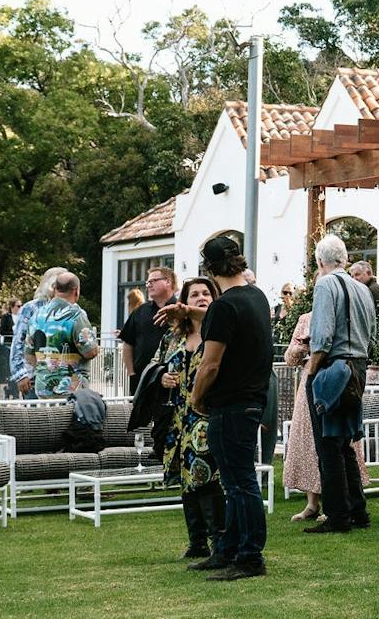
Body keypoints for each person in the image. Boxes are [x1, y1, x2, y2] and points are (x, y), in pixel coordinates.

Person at [184, 235, 273, 580]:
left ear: (209, 268)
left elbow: (210, 364)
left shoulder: (224, 307)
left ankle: (249, 556)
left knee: (239, 483)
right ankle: (227, 549)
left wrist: (195, 396)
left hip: (230, 403)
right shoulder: (257, 297)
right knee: (236, 481)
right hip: (251, 399)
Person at [304, 235, 377, 537]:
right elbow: (372, 333)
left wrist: (311, 369)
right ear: (345, 260)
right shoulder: (362, 289)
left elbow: (322, 334)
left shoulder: (325, 284)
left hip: (334, 366)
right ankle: (357, 509)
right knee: (345, 441)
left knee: (327, 444)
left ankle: (337, 515)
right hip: (358, 366)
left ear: (320, 262)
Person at [281, 304, 368, 523]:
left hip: (336, 385)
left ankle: (338, 504)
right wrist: (301, 349)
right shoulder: (305, 319)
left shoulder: (344, 320)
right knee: (308, 444)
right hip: (310, 386)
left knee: (336, 446)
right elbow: (289, 358)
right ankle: (312, 503)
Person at [157, 277, 224, 559]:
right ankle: (196, 541)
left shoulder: (218, 333)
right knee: (186, 480)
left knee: (207, 479)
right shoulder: (172, 338)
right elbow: (154, 367)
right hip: (178, 418)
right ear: (185, 300)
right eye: (194, 294)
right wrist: (162, 377)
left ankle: (217, 542)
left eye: (206, 293)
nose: (201, 297)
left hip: (207, 416)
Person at [24, 273, 101, 398]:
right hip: (71, 390)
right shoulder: (76, 315)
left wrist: (47, 369)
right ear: (76, 291)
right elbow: (90, 352)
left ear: (55, 289)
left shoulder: (36, 315)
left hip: (42, 388)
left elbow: (28, 355)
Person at [10, 268, 66, 398]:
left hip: (63, 380)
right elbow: (18, 342)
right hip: (34, 379)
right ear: (52, 286)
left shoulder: (69, 310)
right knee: (36, 417)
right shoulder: (30, 308)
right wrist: (20, 374)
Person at [119, 266, 176, 394]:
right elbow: (128, 343)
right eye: (147, 282)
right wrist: (131, 374)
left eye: (153, 281)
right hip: (142, 379)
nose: (148, 285)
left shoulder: (181, 310)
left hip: (172, 380)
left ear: (168, 281)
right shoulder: (140, 312)